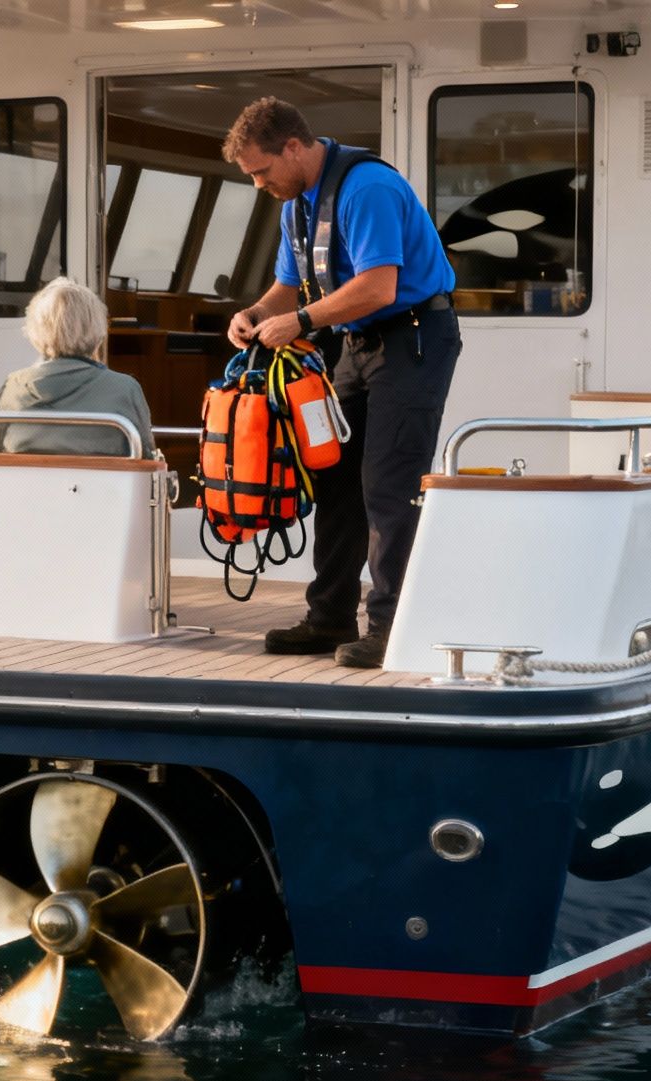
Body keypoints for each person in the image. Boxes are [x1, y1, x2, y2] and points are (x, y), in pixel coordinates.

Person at [221, 96, 461, 669]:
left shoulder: (365, 187)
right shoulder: (296, 204)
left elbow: (379, 287)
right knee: (333, 477)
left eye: (261, 170)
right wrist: (255, 314)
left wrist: (300, 322)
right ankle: (328, 617)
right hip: (358, 344)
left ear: (295, 148)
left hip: (412, 337)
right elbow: (288, 286)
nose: (259, 184)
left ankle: (389, 627)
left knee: (387, 484)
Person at [0, 277, 151, 458]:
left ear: (36, 330)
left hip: (29, 486)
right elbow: (145, 458)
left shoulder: (14, 386)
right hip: (102, 486)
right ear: (97, 329)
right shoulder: (125, 388)